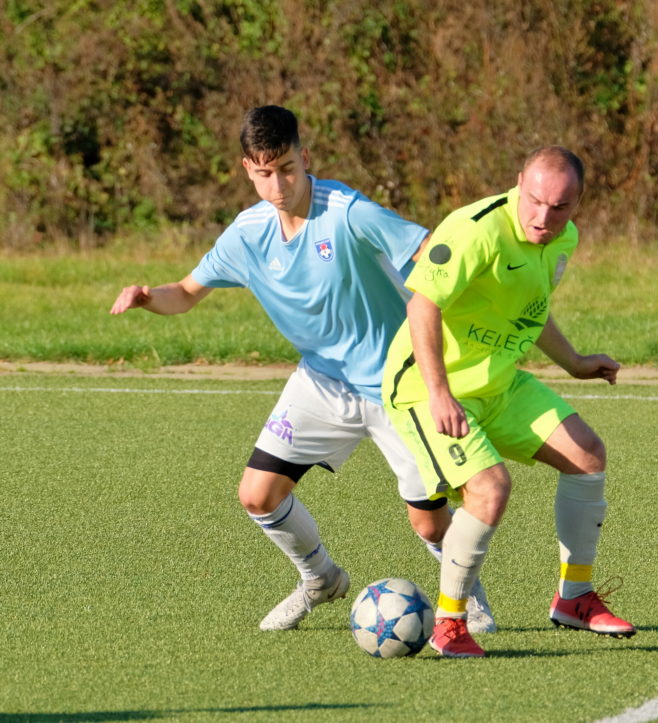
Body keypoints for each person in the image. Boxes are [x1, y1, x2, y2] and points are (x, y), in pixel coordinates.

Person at [110, 105, 494, 633]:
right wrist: (148, 297)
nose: (278, 185)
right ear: (247, 169)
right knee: (257, 494)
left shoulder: (348, 212)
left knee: (428, 522)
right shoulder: (246, 235)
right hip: (321, 381)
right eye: (264, 173)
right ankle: (320, 579)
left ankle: (465, 600)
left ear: (305, 157)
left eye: (287, 168)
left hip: (398, 385)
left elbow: (433, 252)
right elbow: (186, 292)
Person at [383, 146, 635, 657]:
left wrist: (574, 362)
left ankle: (574, 597)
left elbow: (530, 310)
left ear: (578, 203)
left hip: (498, 383)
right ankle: (450, 624)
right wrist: (439, 393)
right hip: (426, 389)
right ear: (519, 182)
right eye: (535, 201)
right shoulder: (473, 230)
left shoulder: (564, 238)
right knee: (490, 489)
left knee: (587, 454)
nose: (544, 218)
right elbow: (422, 306)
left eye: (560, 207)